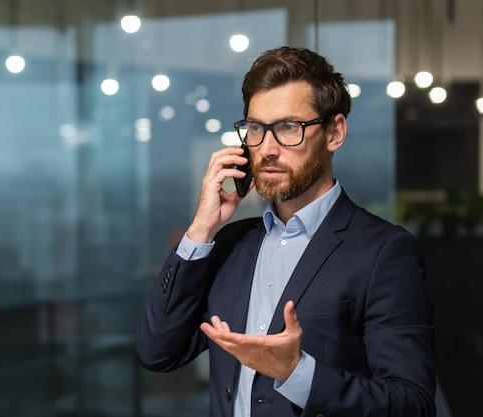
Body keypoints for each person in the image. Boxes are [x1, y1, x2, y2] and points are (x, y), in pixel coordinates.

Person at [135, 46, 436, 417]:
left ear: (334, 133)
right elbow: (157, 352)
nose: (268, 149)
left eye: (289, 127)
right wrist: (201, 229)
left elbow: (412, 404)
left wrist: (298, 374)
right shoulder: (229, 243)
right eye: (257, 129)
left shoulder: (385, 251)